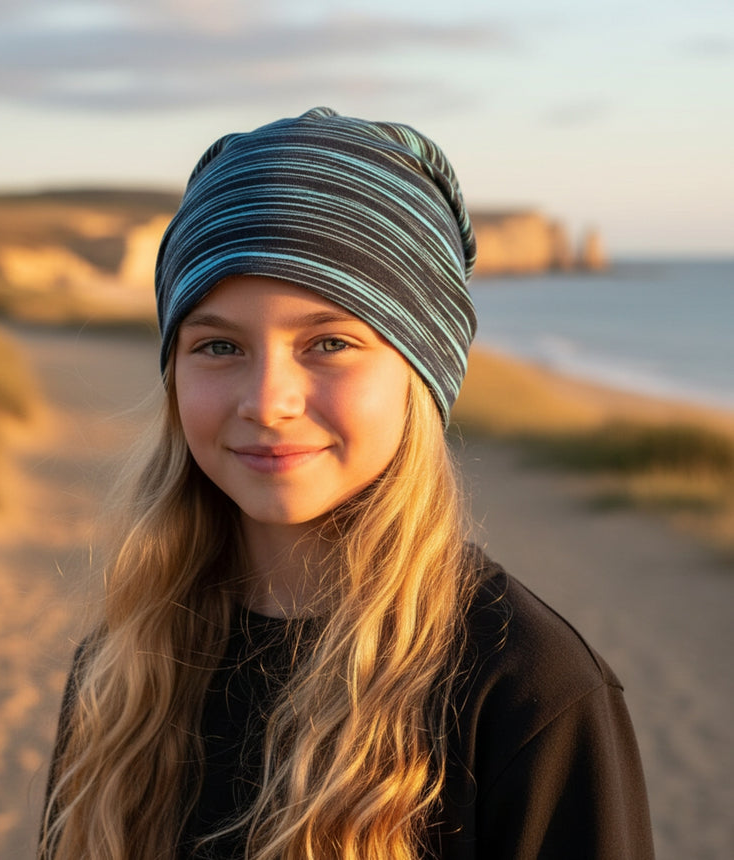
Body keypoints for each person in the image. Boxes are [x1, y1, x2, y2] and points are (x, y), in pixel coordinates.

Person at [39, 107, 654, 859]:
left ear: (420, 374)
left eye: (329, 342)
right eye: (219, 345)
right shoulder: (124, 668)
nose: (267, 401)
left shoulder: (531, 693)